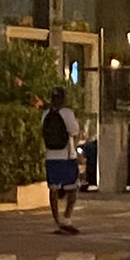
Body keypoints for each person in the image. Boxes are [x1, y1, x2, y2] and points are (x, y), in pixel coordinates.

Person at [40, 85, 82, 231]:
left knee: (53, 189)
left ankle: (57, 221)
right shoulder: (67, 113)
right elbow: (74, 131)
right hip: (67, 156)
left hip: (51, 156)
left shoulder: (45, 114)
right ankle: (67, 218)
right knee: (73, 188)